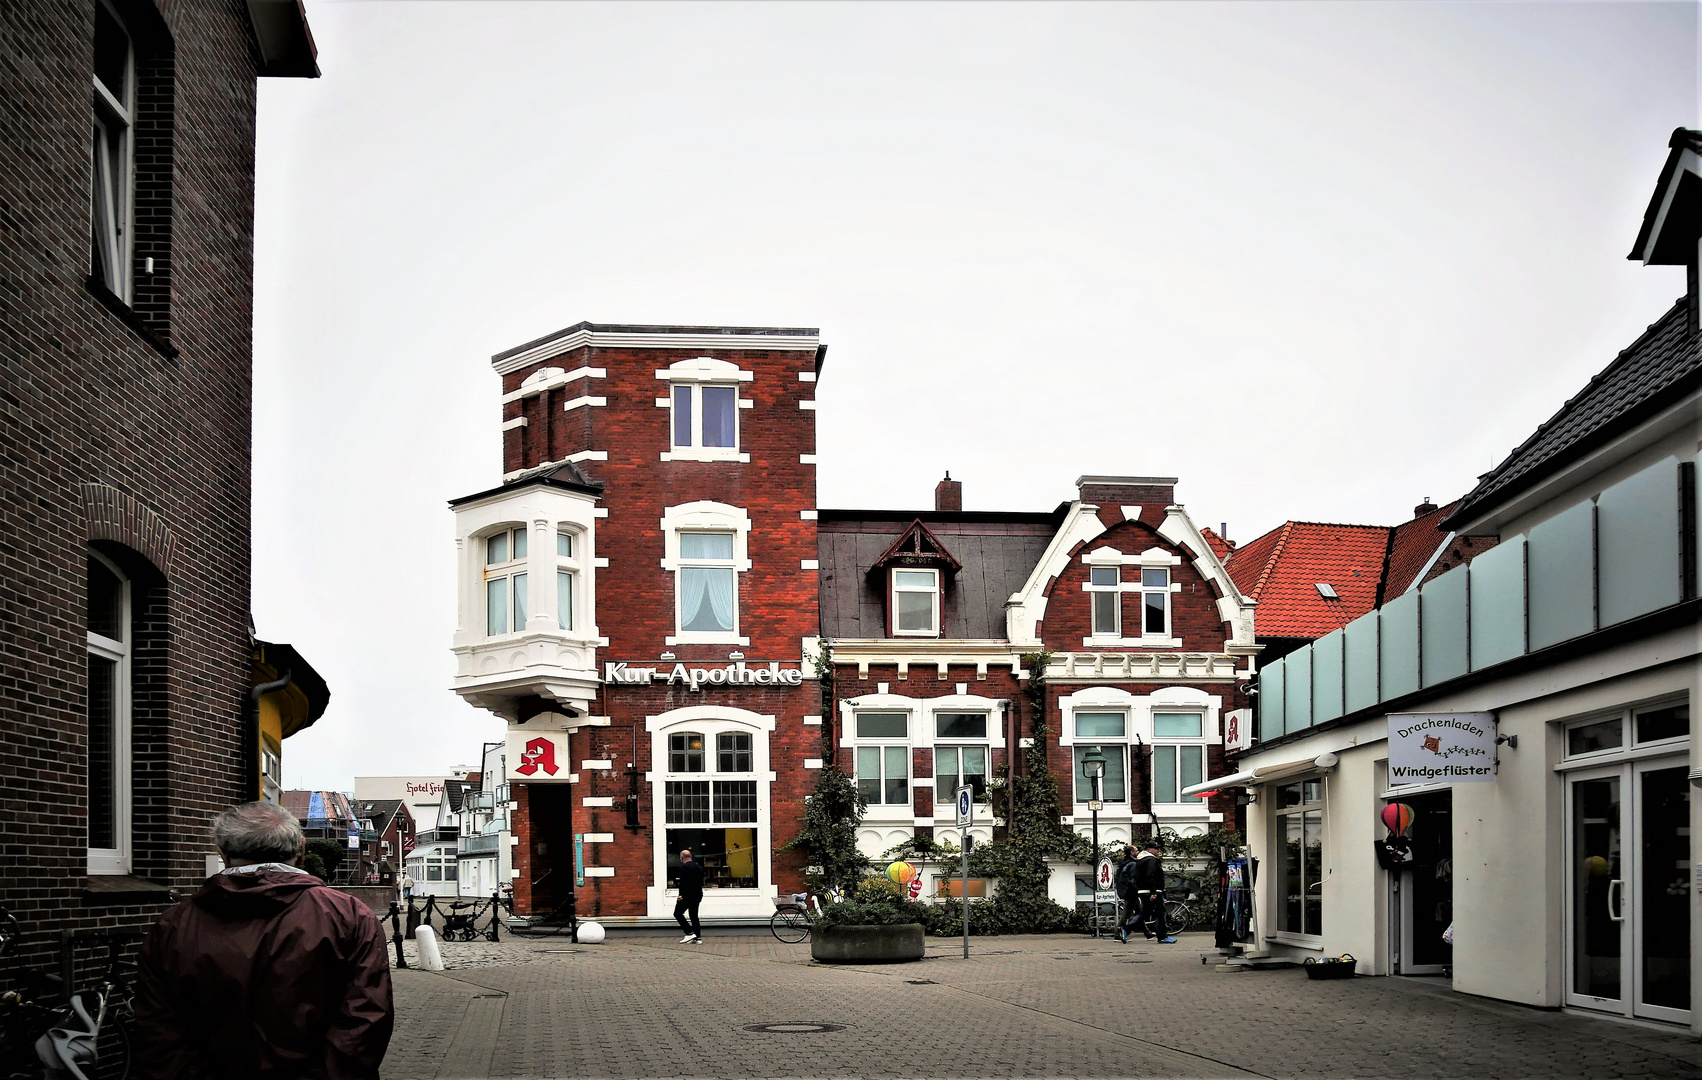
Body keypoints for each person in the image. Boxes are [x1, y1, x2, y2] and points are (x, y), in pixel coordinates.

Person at [134, 801, 394, 1079]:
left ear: (221, 852)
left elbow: (157, 1028)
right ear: (302, 849)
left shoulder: (173, 926)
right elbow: (365, 1020)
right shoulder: (349, 917)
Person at [1133, 839, 1176, 943]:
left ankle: (1126, 928)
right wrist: (1153, 891)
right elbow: (1151, 876)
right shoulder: (1151, 860)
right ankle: (1162, 936)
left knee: (1146, 913)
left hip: (1145, 890)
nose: (1158, 850)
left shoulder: (1141, 860)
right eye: (1156, 848)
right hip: (1153, 890)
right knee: (1161, 913)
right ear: (1149, 849)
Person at [674, 848, 705, 943]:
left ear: (682, 858)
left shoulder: (684, 867)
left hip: (687, 895)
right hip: (698, 894)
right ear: (691, 857)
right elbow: (701, 882)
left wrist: (681, 894)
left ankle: (689, 933)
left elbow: (683, 882)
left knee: (677, 913)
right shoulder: (698, 867)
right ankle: (698, 937)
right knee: (693, 915)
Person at [1113, 846, 1141, 943]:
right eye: (1136, 850)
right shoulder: (1132, 864)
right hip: (1131, 892)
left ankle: (1148, 933)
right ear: (1132, 852)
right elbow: (1132, 879)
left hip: (1126, 890)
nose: (1138, 852)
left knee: (1140, 912)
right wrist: (1137, 889)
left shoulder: (1124, 863)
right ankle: (1117, 934)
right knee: (1126, 914)